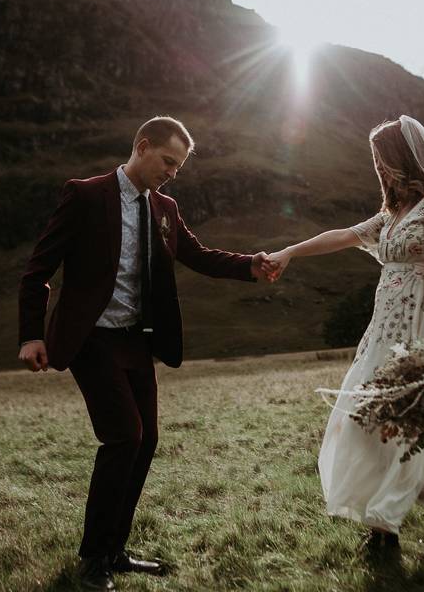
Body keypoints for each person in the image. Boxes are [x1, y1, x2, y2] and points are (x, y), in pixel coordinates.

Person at [18, 116, 272, 590]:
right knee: (124, 437)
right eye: (168, 161)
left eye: (179, 167)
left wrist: (250, 266)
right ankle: (93, 560)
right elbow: (38, 270)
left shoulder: (166, 208)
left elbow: (196, 254)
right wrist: (31, 335)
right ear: (142, 145)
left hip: (137, 340)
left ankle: (115, 551)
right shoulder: (86, 195)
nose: (172, 172)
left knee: (147, 439)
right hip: (90, 338)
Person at [265, 115, 424, 562]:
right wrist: (290, 252)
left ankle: (383, 535)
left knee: (397, 424)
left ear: (402, 156)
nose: (377, 165)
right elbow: (346, 235)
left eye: (380, 157)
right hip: (381, 328)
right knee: (374, 421)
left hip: (416, 324)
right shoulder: (395, 213)